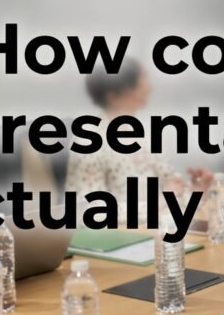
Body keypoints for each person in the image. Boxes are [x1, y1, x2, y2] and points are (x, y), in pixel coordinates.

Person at [65, 57, 213, 217]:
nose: (149, 87)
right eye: (143, 79)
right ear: (113, 94)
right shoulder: (89, 140)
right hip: (118, 238)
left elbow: (172, 194)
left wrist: (197, 192)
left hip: (154, 233)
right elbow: (87, 211)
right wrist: (159, 203)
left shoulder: (146, 136)